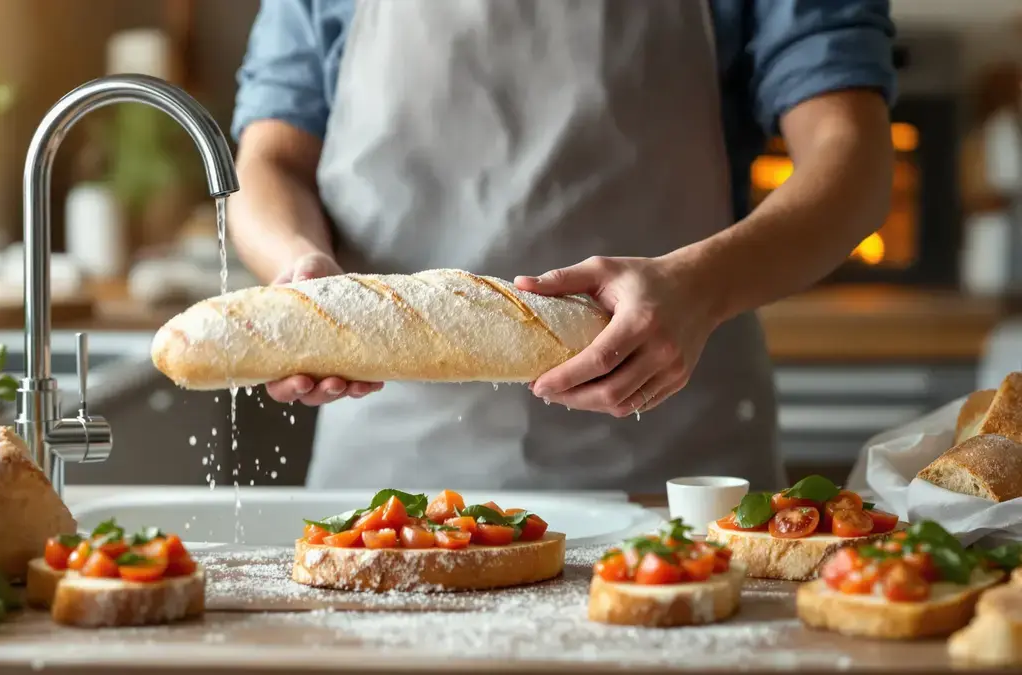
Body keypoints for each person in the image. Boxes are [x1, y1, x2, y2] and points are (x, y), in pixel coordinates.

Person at [226, 0, 896, 492]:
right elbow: (267, 164)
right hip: (386, 490)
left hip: (673, 483)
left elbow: (852, 160)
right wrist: (298, 271)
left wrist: (698, 285)